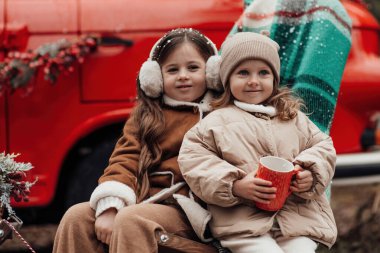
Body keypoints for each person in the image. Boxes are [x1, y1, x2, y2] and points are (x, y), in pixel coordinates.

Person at [52, 28, 224, 253]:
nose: (183, 75)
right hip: (144, 201)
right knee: (76, 217)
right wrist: (111, 205)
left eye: (193, 68)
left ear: (212, 72)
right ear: (155, 77)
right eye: (172, 70)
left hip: (191, 212)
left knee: (132, 219)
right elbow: (126, 158)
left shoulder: (220, 115)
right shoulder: (147, 114)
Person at [178, 32, 337, 253]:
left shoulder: (292, 117)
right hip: (243, 225)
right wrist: (235, 185)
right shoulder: (215, 123)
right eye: (243, 72)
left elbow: (323, 147)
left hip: (296, 221)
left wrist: (310, 172)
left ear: (274, 79)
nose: (254, 81)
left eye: (263, 72)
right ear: (227, 79)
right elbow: (194, 161)